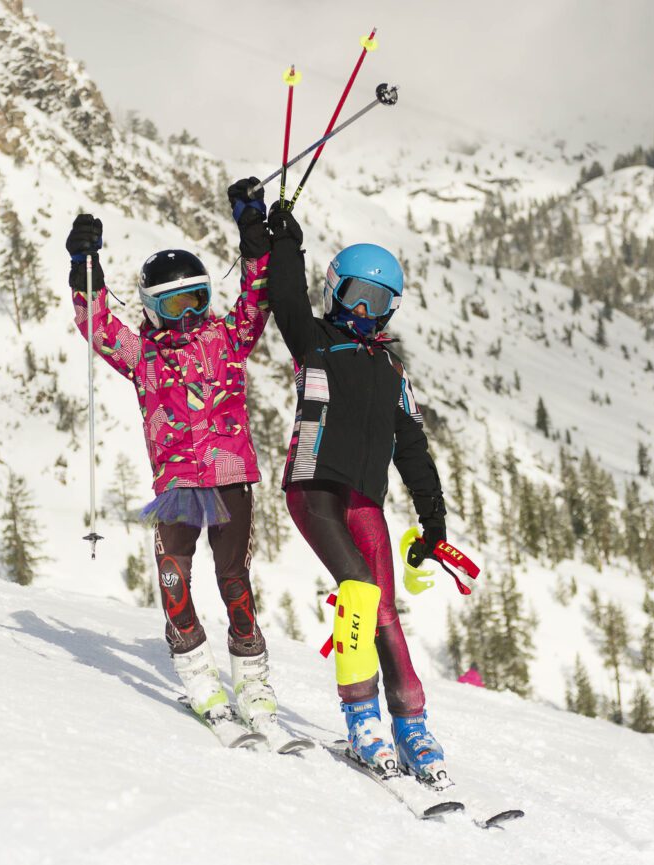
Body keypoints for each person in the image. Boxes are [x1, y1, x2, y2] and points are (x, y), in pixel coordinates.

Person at [66, 180, 281, 739]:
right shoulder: (144, 357)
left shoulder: (229, 338)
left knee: (234, 579)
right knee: (173, 575)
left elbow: (258, 294)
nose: (186, 317)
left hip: (230, 475)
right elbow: (96, 326)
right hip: (178, 485)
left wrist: (252, 230)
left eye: (196, 302)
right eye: (172, 306)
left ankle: (253, 677)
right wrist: (83, 266)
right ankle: (197, 670)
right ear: (151, 309)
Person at [259, 196, 452, 786]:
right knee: (360, 592)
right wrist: (283, 243)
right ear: (333, 291)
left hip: (364, 501)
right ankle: (361, 716)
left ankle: (412, 724)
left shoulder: (392, 372)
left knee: (385, 612)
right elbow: (284, 298)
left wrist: (433, 520)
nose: (366, 313)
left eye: (379, 304)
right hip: (314, 490)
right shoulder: (314, 340)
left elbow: (412, 449)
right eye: (355, 298)